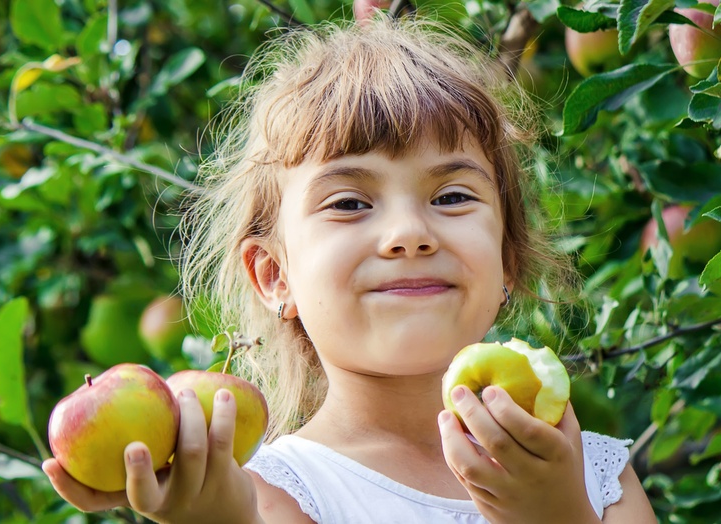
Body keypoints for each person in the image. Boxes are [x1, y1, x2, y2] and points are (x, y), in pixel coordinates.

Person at [43, 15, 658, 523]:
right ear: (275, 276)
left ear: (507, 260)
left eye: (451, 197)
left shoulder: (594, 476)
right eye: (349, 203)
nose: (409, 234)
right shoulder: (270, 498)